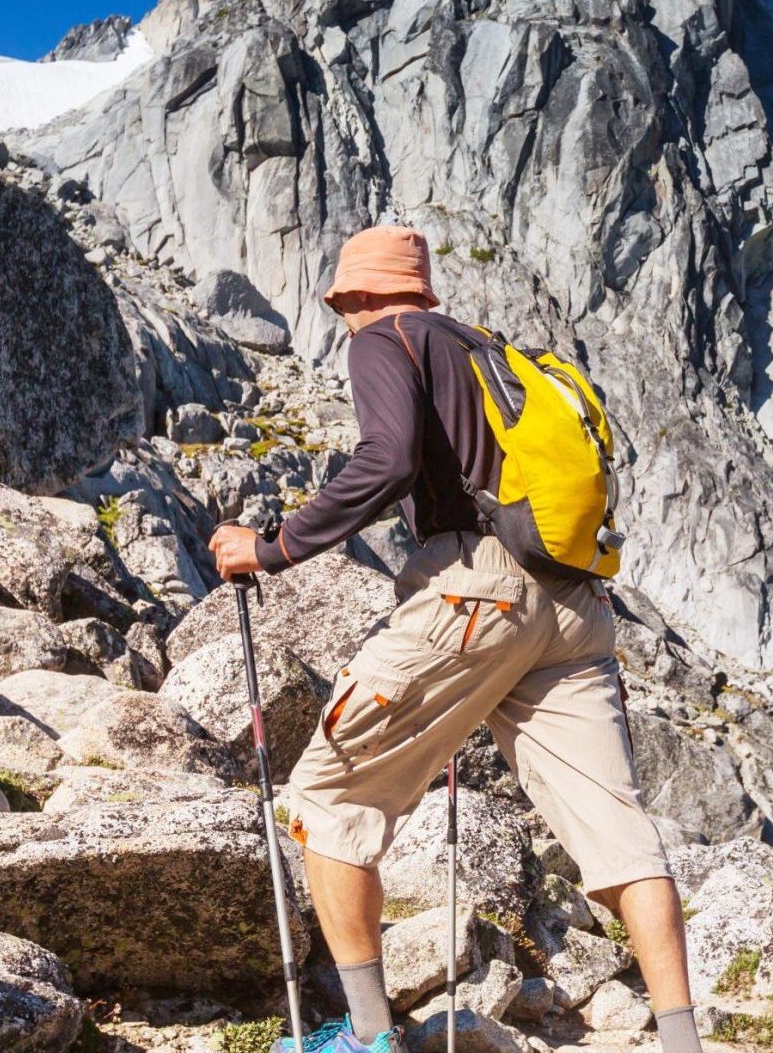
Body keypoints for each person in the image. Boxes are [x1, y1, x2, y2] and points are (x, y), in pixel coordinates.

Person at [211, 224, 701, 1053]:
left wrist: (273, 546)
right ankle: (686, 1041)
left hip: (479, 595)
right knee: (620, 834)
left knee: (329, 796)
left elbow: (388, 457)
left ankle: (367, 1038)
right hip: (576, 606)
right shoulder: (483, 349)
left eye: (342, 306)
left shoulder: (383, 340)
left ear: (351, 296)